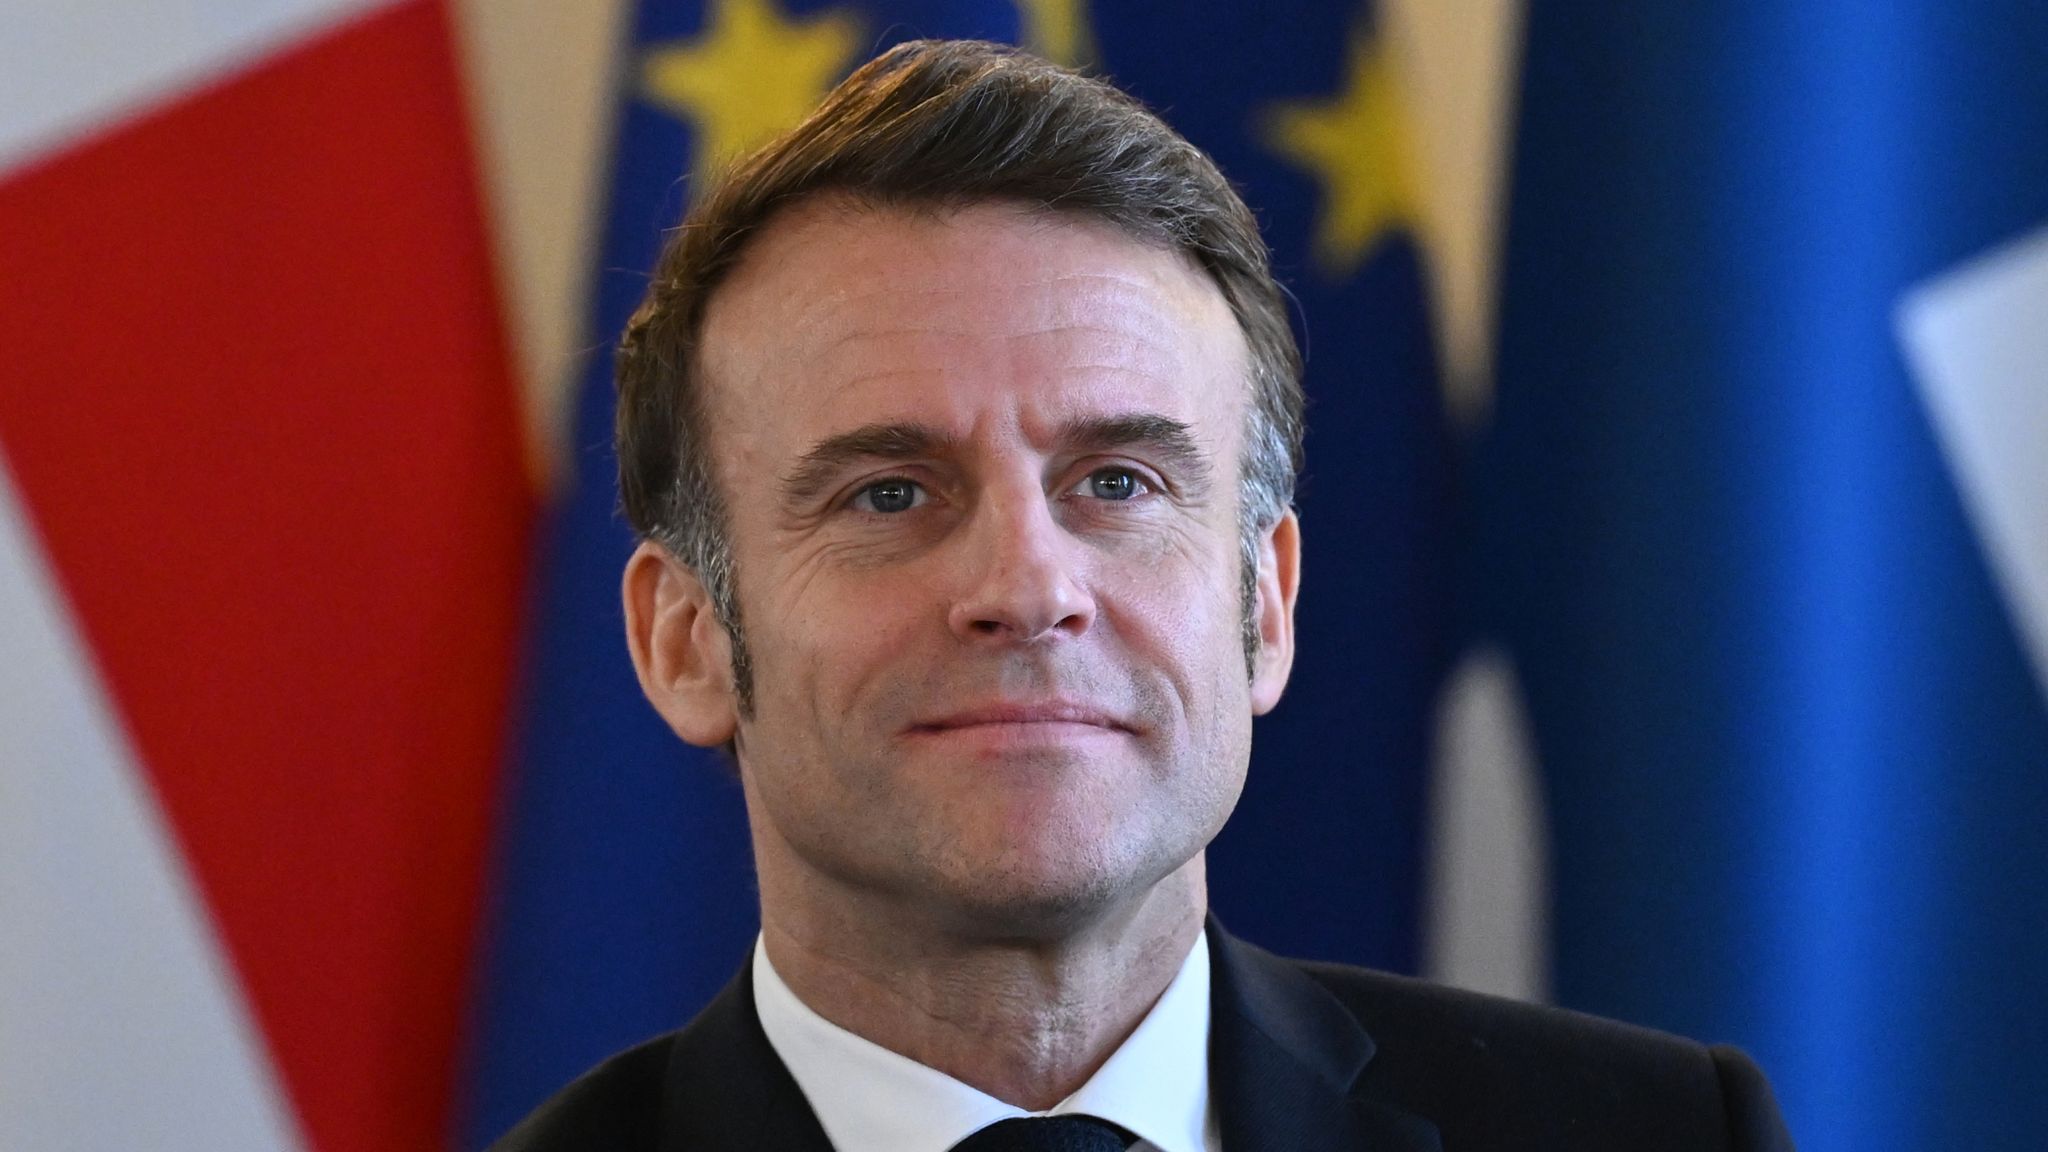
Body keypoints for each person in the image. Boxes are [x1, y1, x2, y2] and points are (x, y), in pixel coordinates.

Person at [493, 39, 1794, 1152]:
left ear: (1265, 606)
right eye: (889, 494)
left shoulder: (1665, 1134)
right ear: (685, 641)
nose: (1027, 587)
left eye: (1118, 483)